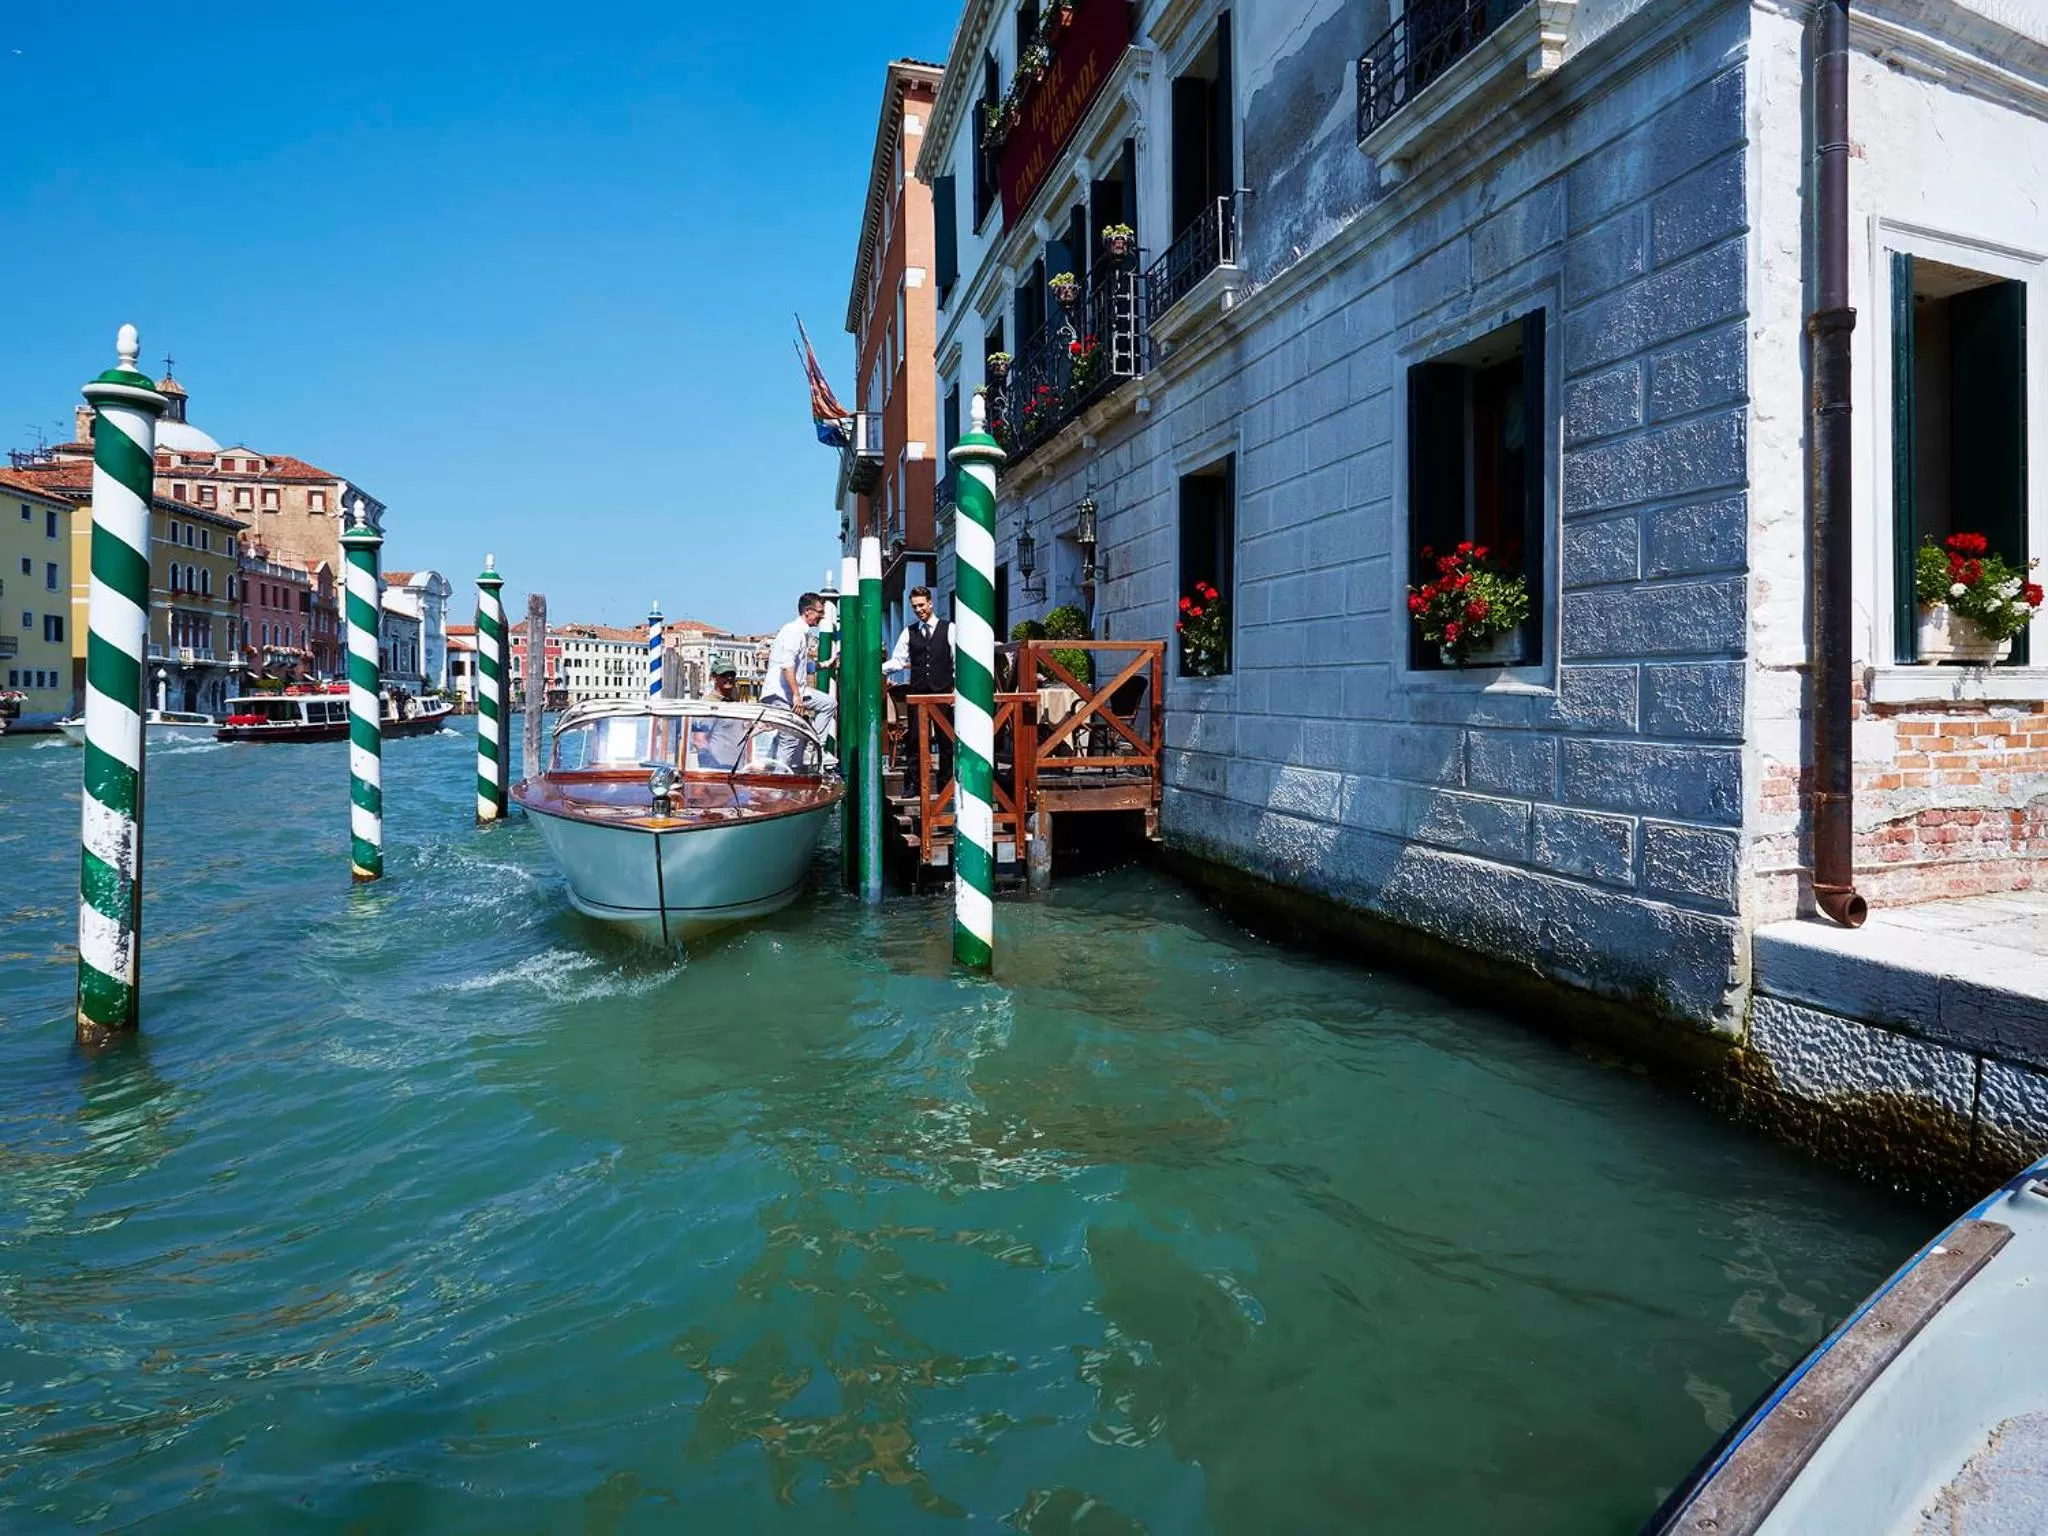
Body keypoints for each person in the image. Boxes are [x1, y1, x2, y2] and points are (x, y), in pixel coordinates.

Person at [885, 585, 955, 788]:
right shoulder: (909, 632)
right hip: (917, 693)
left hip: (942, 693)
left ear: (930, 603)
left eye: (921, 605)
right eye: (915, 606)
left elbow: (957, 661)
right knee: (914, 741)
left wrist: (957, 692)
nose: (918, 610)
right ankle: (914, 783)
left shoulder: (949, 629)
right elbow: (898, 661)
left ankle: (946, 784)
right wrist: (876, 669)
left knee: (946, 741)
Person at [761, 591, 834, 769]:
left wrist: (824, 665)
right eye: (820, 612)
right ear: (807, 611)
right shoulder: (793, 631)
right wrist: (796, 695)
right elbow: (787, 665)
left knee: (828, 704)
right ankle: (779, 778)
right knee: (790, 738)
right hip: (781, 694)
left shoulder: (801, 633)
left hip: (794, 691)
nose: (822, 616)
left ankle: (813, 745)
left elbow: (801, 666)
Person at [687, 658, 752, 770]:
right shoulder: (709, 705)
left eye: (732, 674)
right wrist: (711, 766)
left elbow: (742, 734)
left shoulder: (734, 703)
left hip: (739, 770)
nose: (729, 678)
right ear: (713, 677)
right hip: (719, 771)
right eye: (724, 675)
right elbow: (699, 739)